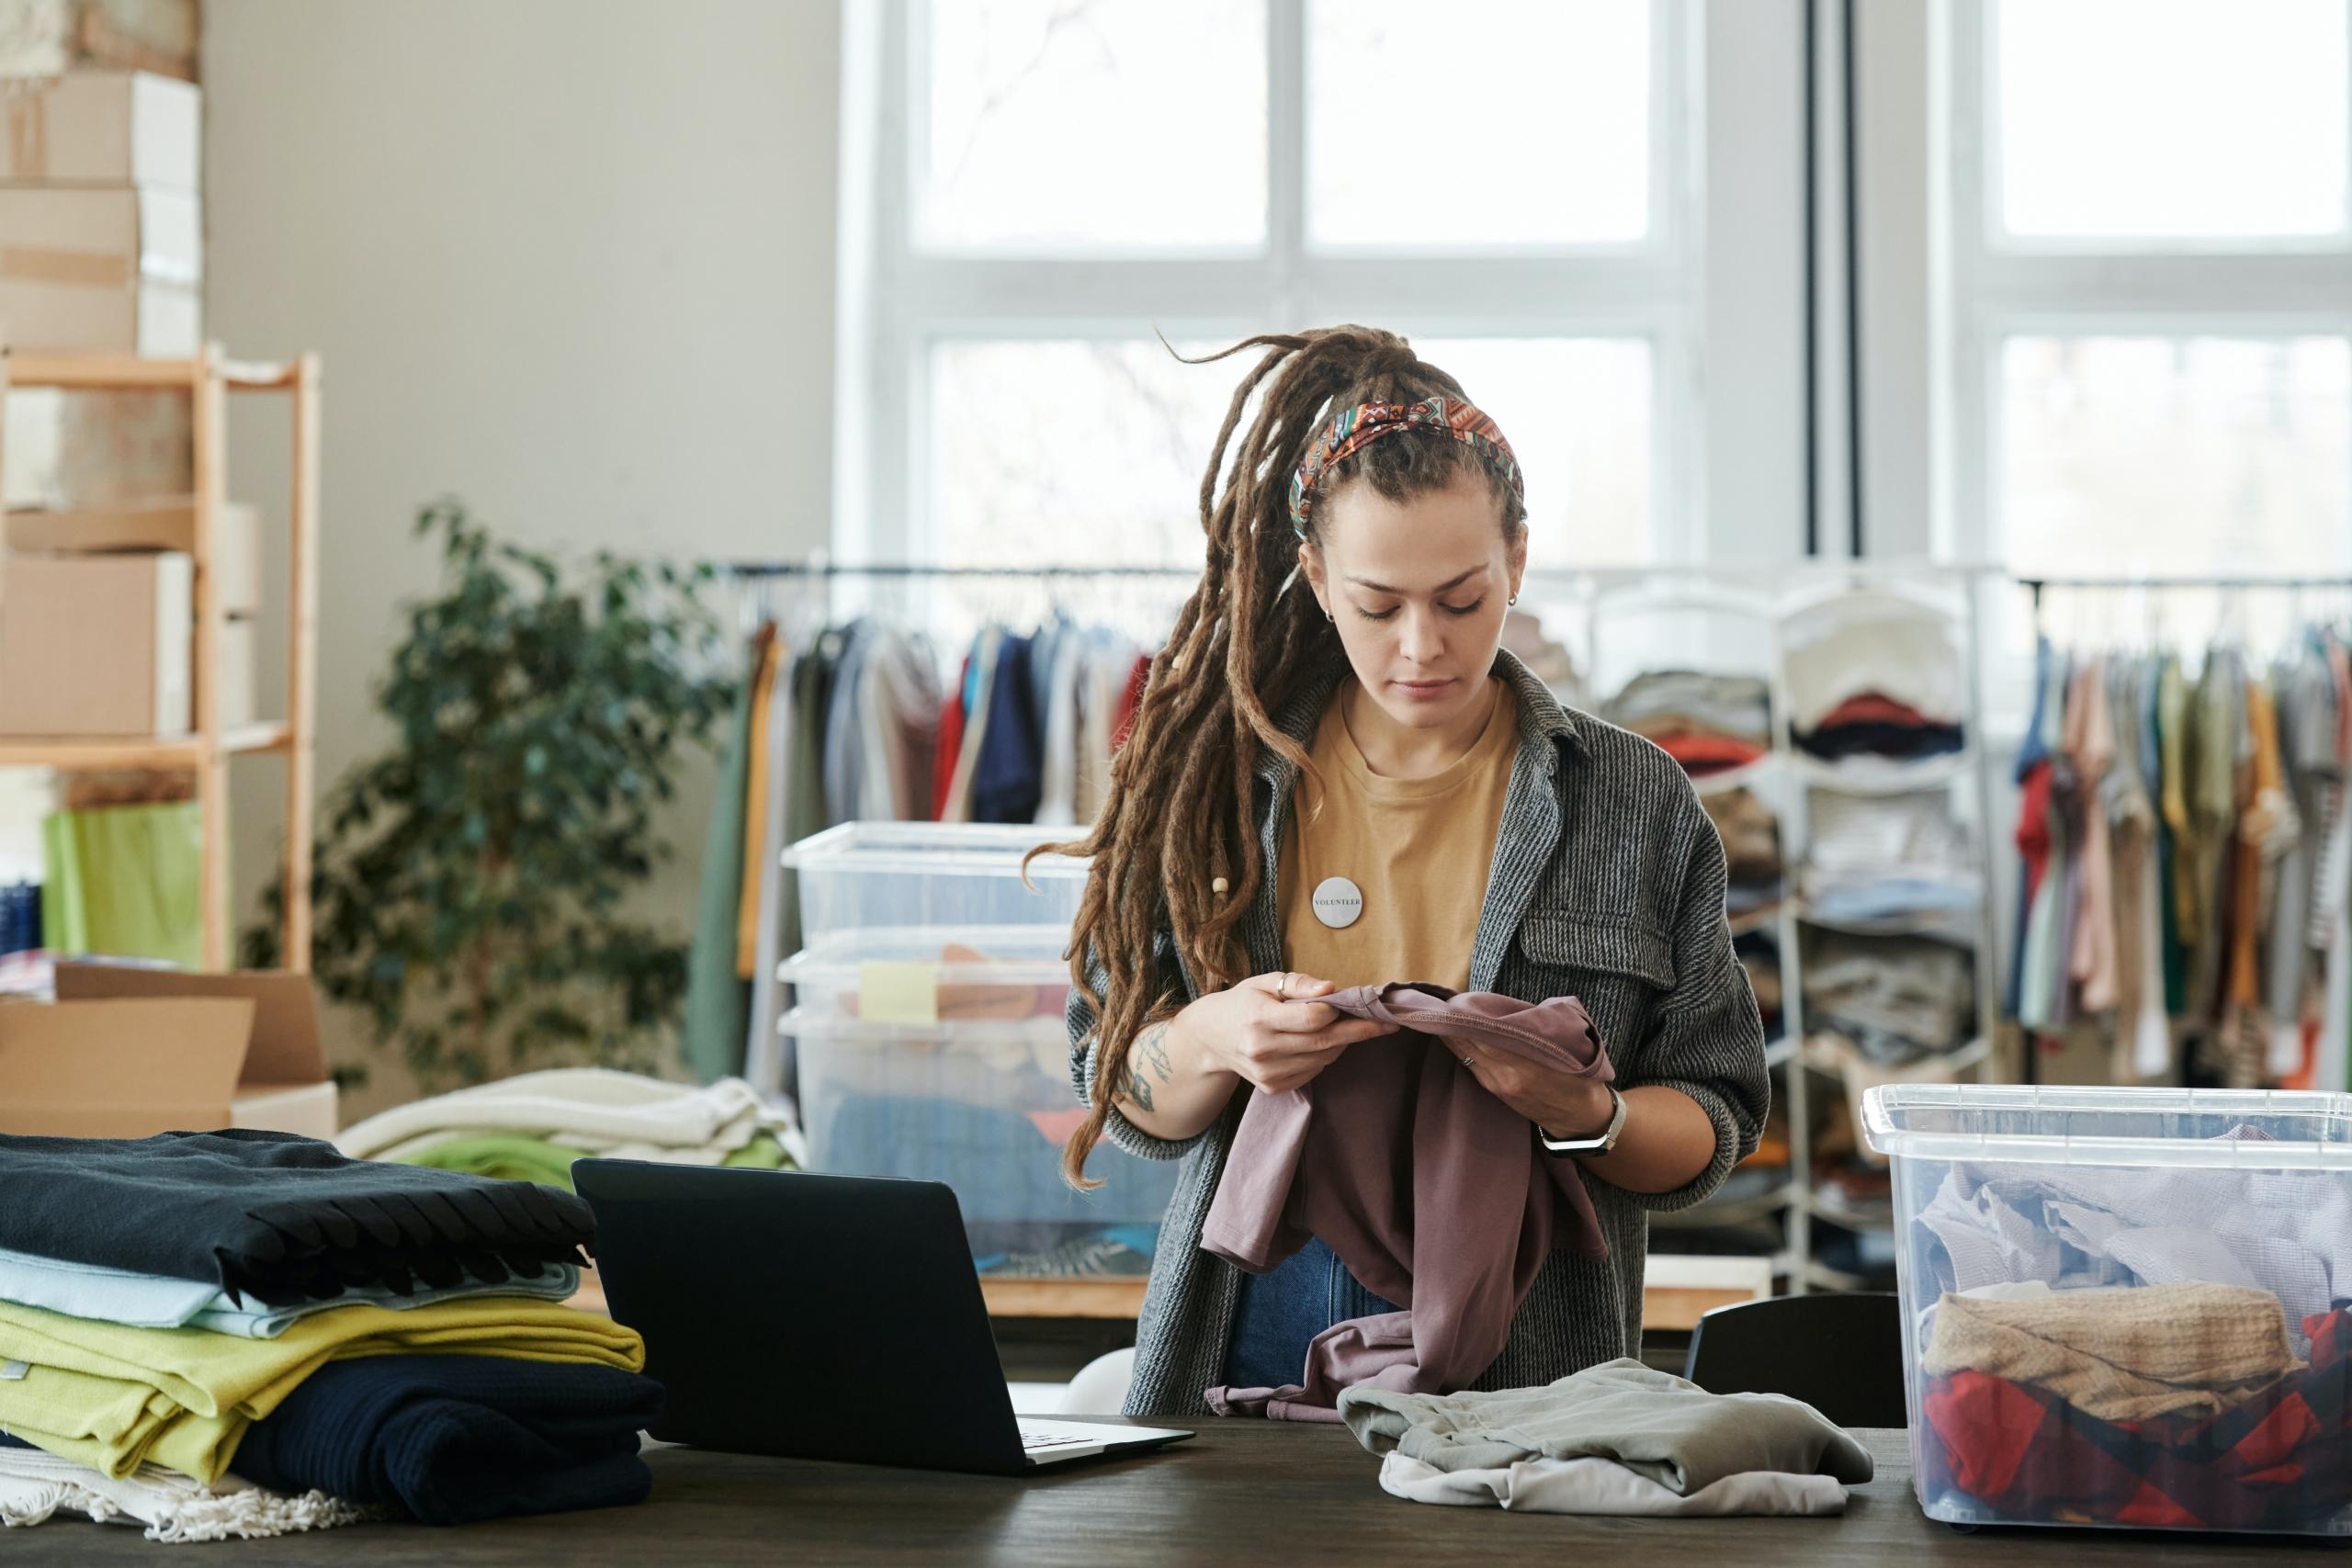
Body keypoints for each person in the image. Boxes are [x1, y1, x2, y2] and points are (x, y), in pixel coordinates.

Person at [1046, 324, 1769, 1417]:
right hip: (1254, 1311)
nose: (1421, 646)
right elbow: (1117, 1083)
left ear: (1516, 561)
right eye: (1379, 606)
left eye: (1462, 599)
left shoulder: (1635, 801)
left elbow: (1715, 1121)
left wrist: (1586, 1112)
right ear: (1317, 579)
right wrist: (1213, 1037)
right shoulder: (1214, 787)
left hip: (1531, 1351)